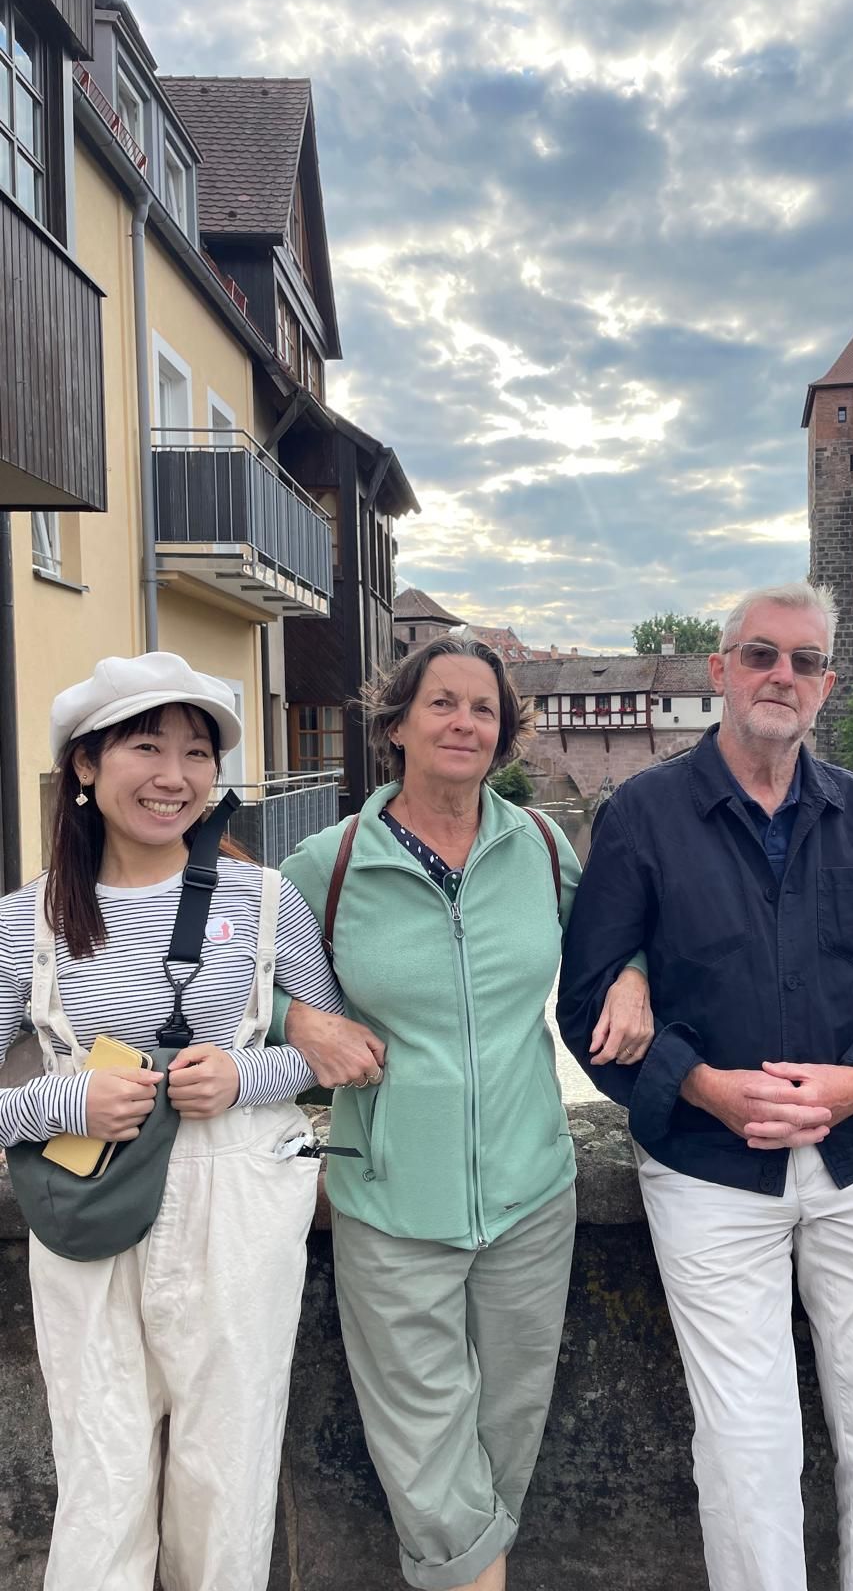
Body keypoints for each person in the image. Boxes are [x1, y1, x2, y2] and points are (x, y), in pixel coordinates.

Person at [557, 581, 853, 1591]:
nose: (783, 675)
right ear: (720, 669)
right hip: (709, 1168)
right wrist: (702, 1088)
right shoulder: (641, 816)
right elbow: (586, 1002)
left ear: (827, 686)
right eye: (762, 654)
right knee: (746, 1444)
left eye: (805, 661)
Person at [276, 635, 653, 1591]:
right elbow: (240, 985)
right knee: (421, 1434)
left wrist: (634, 976)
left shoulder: (540, 846)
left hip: (532, 1193)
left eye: (483, 709)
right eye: (441, 703)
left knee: (509, 1422)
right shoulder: (327, 863)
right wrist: (299, 1020)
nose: (463, 722)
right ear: (397, 725)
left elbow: (613, 939)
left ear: (503, 733)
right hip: (391, 1196)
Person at [0, 652, 343, 1591]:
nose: (174, 777)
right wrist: (62, 1100)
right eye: (146, 748)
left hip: (238, 1190)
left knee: (227, 1468)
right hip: (87, 1194)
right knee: (100, 1468)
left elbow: (333, 1054)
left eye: (197, 753)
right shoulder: (25, 920)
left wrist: (243, 1074)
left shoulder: (266, 901)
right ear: (85, 764)